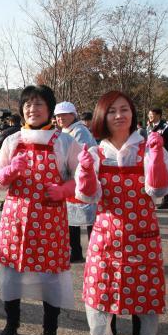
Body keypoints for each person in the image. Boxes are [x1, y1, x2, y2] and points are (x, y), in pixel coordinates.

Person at [75, 90, 168, 335]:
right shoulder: (95, 153)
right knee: (105, 298)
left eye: (125, 109)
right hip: (105, 237)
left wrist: (154, 160)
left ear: (133, 114)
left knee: (143, 302)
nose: (119, 115)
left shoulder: (149, 148)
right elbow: (87, 197)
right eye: (113, 111)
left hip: (142, 237)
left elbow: (159, 192)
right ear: (103, 116)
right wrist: (85, 174)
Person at [0, 84, 81, 335]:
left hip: (50, 221)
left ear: (49, 109)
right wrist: (7, 174)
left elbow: (82, 179)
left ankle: (49, 331)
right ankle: (11, 324)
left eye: (39, 104)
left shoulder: (64, 142)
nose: (33, 109)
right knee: (12, 276)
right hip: (15, 220)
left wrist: (65, 189)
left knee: (49, 279)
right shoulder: (12, 141)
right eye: (28, 104)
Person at [54, 101, 98, 263]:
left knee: (89, 218)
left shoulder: (79, 131)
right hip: (72, 179)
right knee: (72, 218)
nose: (60, 118)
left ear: (73, 115)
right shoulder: (67, 131)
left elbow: (82, 156)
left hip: (82, 179)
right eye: (58, 115)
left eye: (64, 114)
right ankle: (76, 251)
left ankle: (94, 251)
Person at [147, 108, 168, 209]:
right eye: (149, 115)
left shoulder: (166, 127)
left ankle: (166, 201)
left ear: (158, 115)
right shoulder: (150, 127)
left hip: (164, 158)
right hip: (152, 158)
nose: (150, 117)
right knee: (152, 178)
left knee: (166, 178)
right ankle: (151, 200)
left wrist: (167, 155)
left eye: (152, 115)